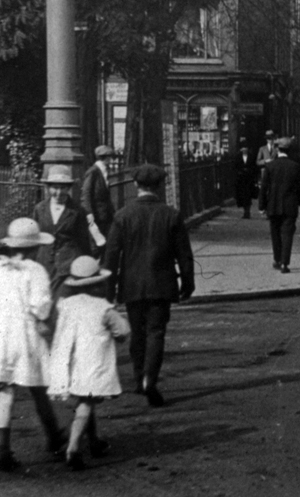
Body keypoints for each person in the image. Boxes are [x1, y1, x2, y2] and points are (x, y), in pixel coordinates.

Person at [103, 164, 194, 408]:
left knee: (137, 332)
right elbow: (184, 254)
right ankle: (149, 380)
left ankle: (137, 377)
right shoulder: (171, 215)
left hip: (131, 284)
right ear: (160, 187)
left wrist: (108, 289)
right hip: (161, 284)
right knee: (156, 332)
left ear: (136, 185)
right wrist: (188, 282)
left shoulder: (123, 215)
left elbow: (111, 255)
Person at [48, 255, 130, 471]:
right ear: (98, 283)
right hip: (92, 361)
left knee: (86, 398)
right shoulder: (103, 308)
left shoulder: (65, 304)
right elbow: (122, 330)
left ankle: (94, 440)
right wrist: (117, 336)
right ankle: (73, 448)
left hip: (70, 360)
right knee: (86, 402)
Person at [0, 218, 66, 472]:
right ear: (34, 247)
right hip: (25, 336)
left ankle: (3, 448)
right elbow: (41, 307)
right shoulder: (35, 270)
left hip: (1, 334)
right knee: (38, 386)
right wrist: (42, 317)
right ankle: (54, 437)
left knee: (4, 391)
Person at [33, 164, 92, 298]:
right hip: (44, 264)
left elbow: (84, 242)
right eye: (55, 187)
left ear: (69, 189)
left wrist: (85, 265)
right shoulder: (40, 209)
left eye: (63, 188)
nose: (58, 193)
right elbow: (35, 238)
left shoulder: (77, 211)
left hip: (68, 265)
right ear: (48, 188)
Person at [258, 137, 300, 274]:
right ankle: (285, 264)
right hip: (290, 206)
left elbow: (264, 188)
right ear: (289, 150)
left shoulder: (270, 166)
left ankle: (277, 260)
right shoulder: (295, 166)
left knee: (275, 235)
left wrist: (262, 206)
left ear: (278, 149)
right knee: (287, 235)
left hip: (273, 206)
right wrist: (298, 202)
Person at [80, 145, 116, 252]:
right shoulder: (94, 171)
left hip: (105, 214)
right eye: (110, 157)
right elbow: (85, 193)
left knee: (105, 242)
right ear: (106, 157)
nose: (111, 160)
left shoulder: (103, 170)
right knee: (97, 244)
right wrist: (89, 212)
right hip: (96, 214)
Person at [232, 138, 257, 219]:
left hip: (249, 179)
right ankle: (245, 211)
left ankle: (247, 212)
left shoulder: (251, 156)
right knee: (242, 196)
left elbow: (254, 167)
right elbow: (234, 167)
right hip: (241, 179)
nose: (244, 149)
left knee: (248, 196)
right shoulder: (237, 156)